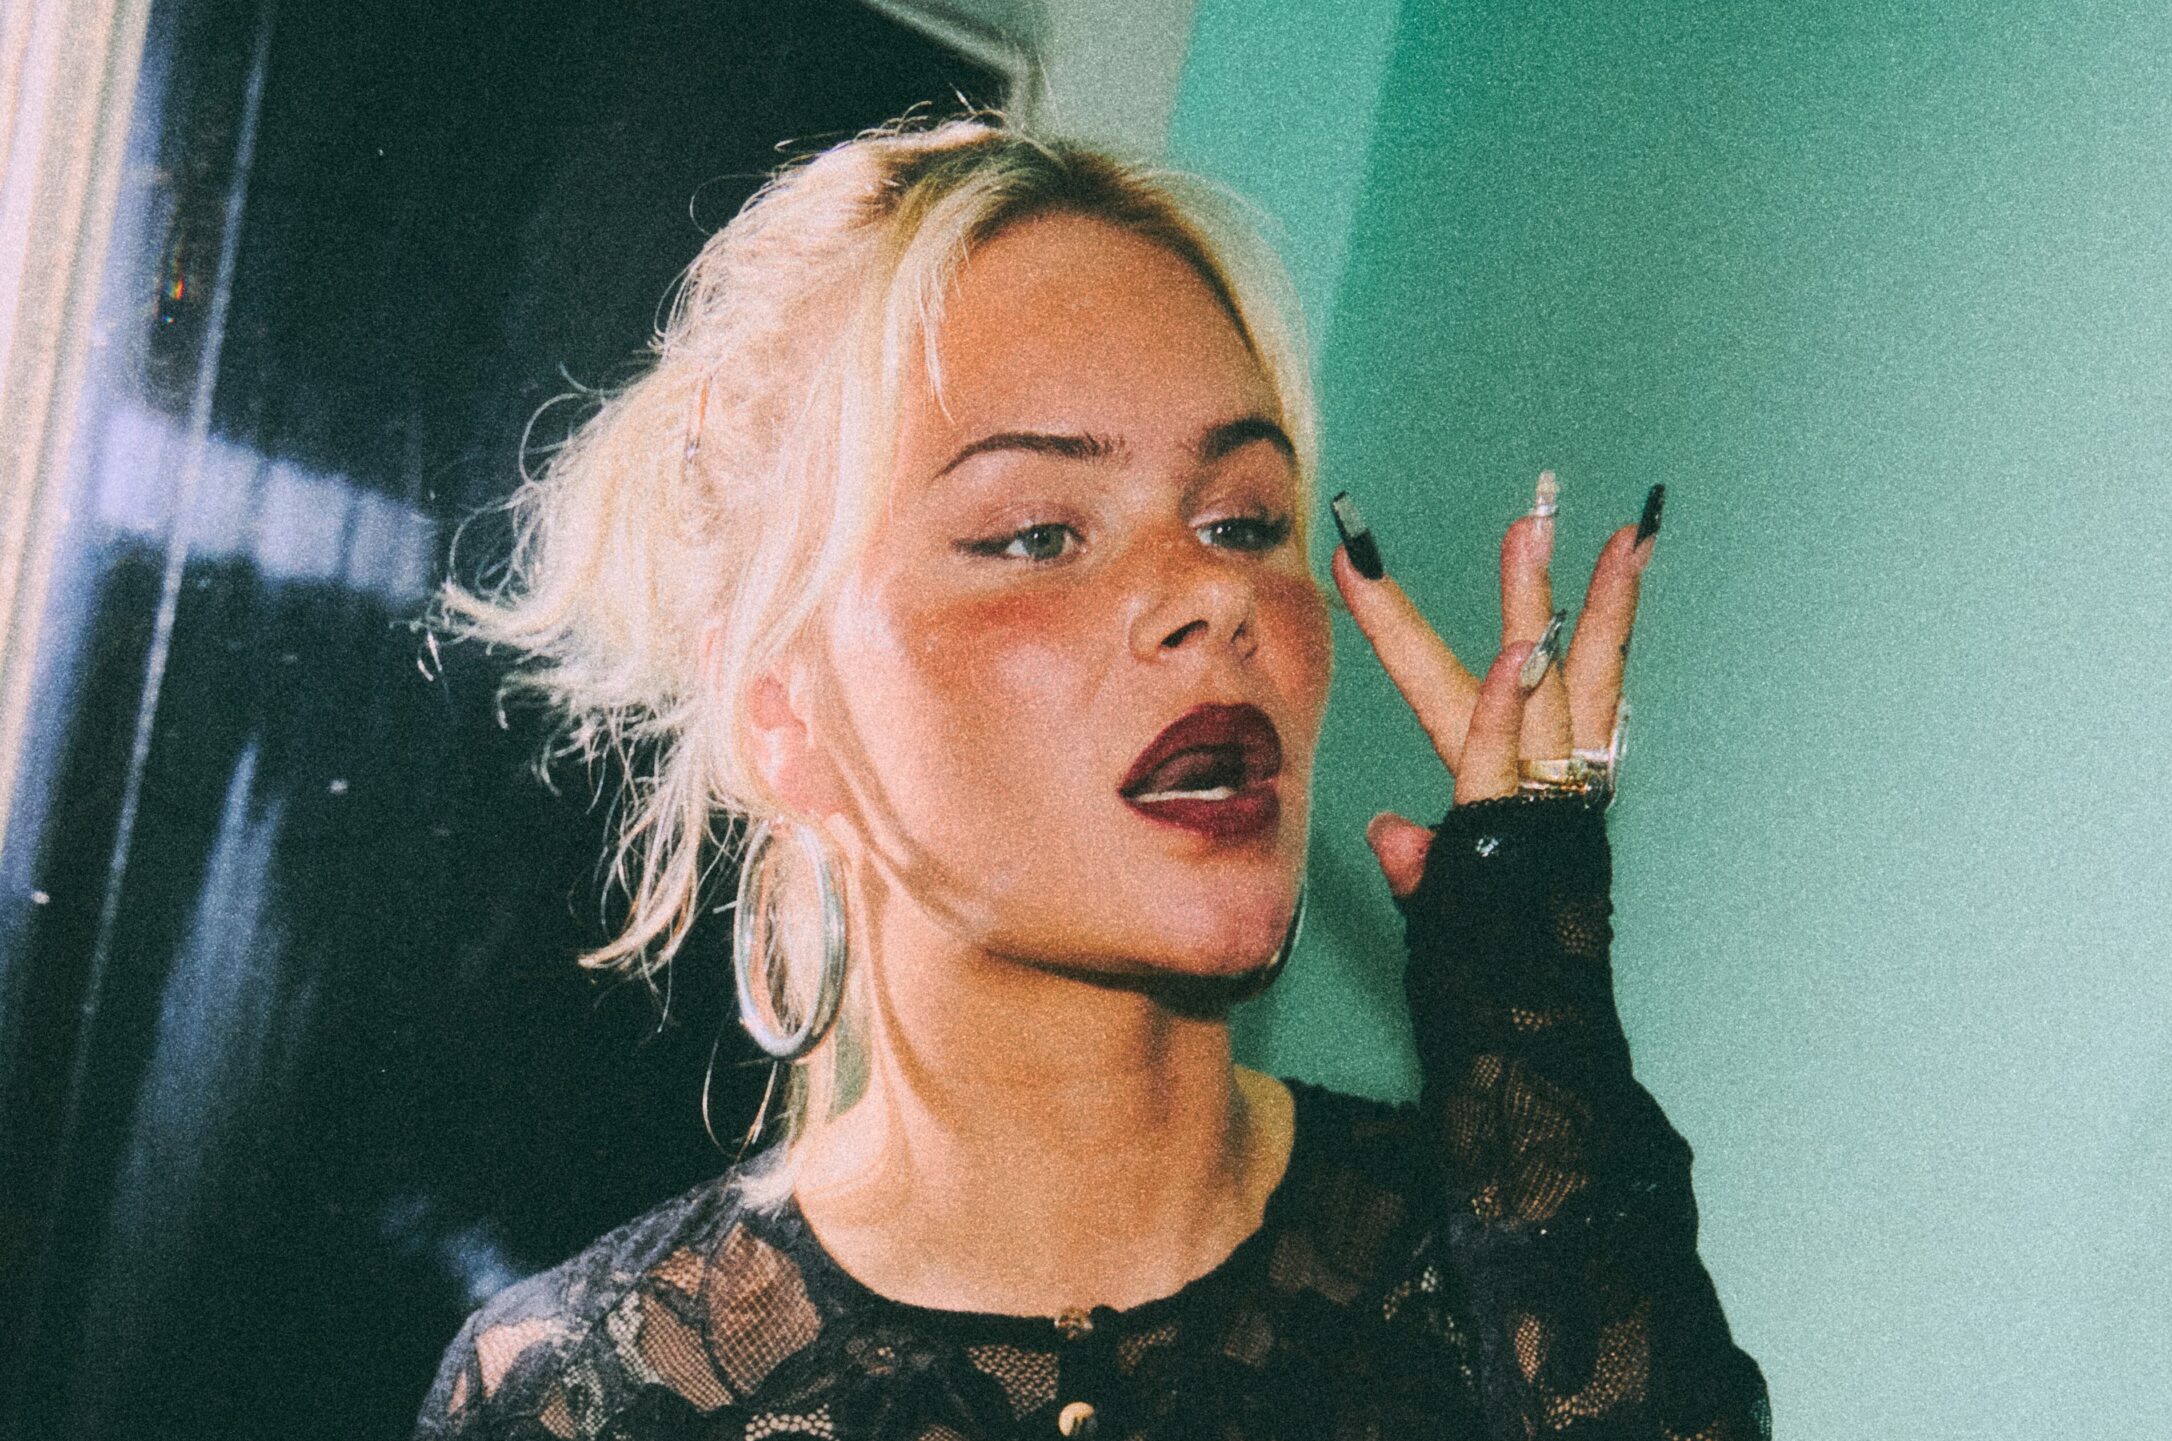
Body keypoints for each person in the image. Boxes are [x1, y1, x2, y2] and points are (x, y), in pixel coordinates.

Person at [420, 116, 1768, 1440]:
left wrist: (1531, 1019)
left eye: (1243, 520)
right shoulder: (580, 1398)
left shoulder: (1522, 1269)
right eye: (1038, 534)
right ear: (783, 710)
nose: (1212, 593)